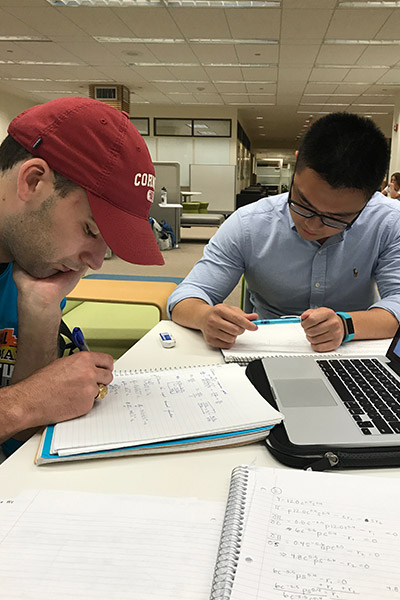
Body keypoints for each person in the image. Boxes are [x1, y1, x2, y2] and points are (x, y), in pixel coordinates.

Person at [0, 96, 164, 447]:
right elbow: (26, 409)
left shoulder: (30, 268)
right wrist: (22, 404)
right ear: (32, 182)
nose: (95, 261)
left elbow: (21, 440)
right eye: (90, 230)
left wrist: (41, 312)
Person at [168, 112, 400, 353]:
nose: (312, 224)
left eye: (336, 218)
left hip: (351, 350)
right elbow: (188, 295)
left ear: (375, 192)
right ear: (297, 163)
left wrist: (346, 325)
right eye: (302, 202)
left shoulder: (389, 222)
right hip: (263, 348)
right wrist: (206, 317)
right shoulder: (249, 223)